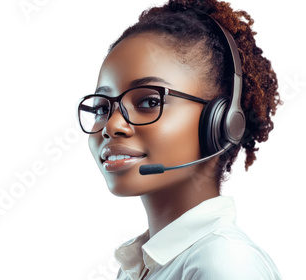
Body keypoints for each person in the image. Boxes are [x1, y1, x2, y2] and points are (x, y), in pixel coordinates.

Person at [76, 0, 282, 279]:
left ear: (221, 122)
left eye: (149, 101)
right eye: (102, 108)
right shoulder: (139, 267)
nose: (111, 126)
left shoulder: (224, 262)